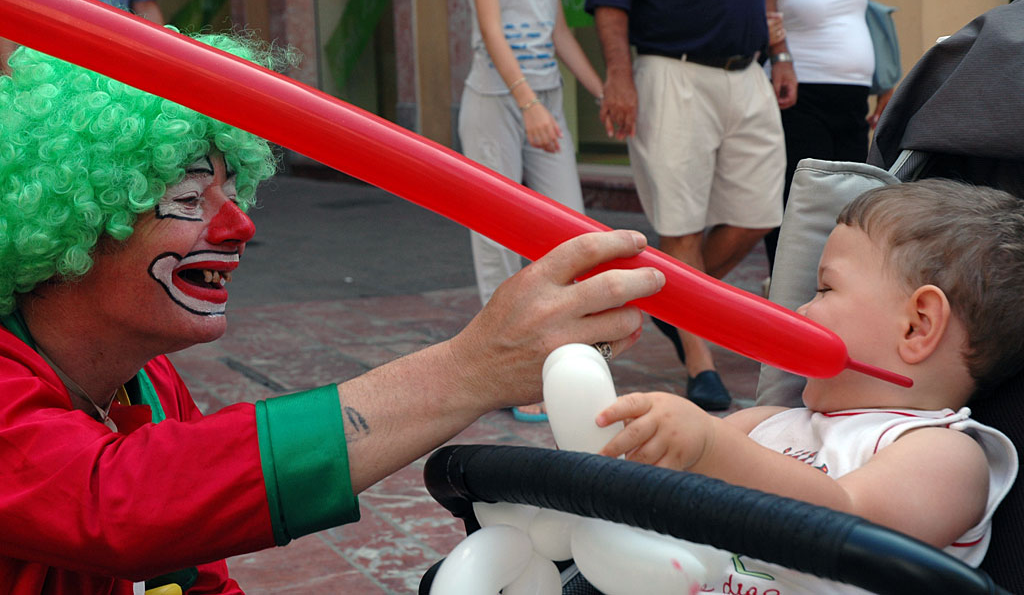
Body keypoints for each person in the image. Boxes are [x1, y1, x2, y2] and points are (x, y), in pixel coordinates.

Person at [0, 36, 666, 593]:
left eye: (232, 189)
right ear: (71, 226)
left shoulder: (148, 383)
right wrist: (474, 367)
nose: (240, 225)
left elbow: (193, 574)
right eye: (187, 197)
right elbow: (124, 504)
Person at [595, 179, 1020, 593]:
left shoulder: (944, 453)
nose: (801, 309)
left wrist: (709, 447)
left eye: (825, 288)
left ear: (917, 326)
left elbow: (845, 522)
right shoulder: (763, 423)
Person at [585, 0, 796, 412]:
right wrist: (618, 77)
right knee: (681, 225)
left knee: (759, 214)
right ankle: (700, 363)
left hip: (747, 74)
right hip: (671, 72)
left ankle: (672, 304)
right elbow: (610, 4)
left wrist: (781, 56)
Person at [457, 0, 606, 421]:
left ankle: (569, 360)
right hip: (496, 99)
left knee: (573, 234)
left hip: (545, 96)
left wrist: (601, 92)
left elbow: (558, 32)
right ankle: (506, 372)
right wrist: (528, 105)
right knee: (495, 239)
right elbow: (491, 29)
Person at [761, 0, 896, 271]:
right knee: (804, 203)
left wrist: (886, 82)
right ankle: (788, 290)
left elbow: (869, 20)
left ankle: (834, 287)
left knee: (852, 197)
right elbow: (765, 21)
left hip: (853, 100)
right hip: (799, 96)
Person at [0, 0, 176, 74]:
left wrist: (157, 69)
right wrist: (13, 77)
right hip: (42, 73)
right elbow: (4, 9)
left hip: (114, 72)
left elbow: (145, 7)